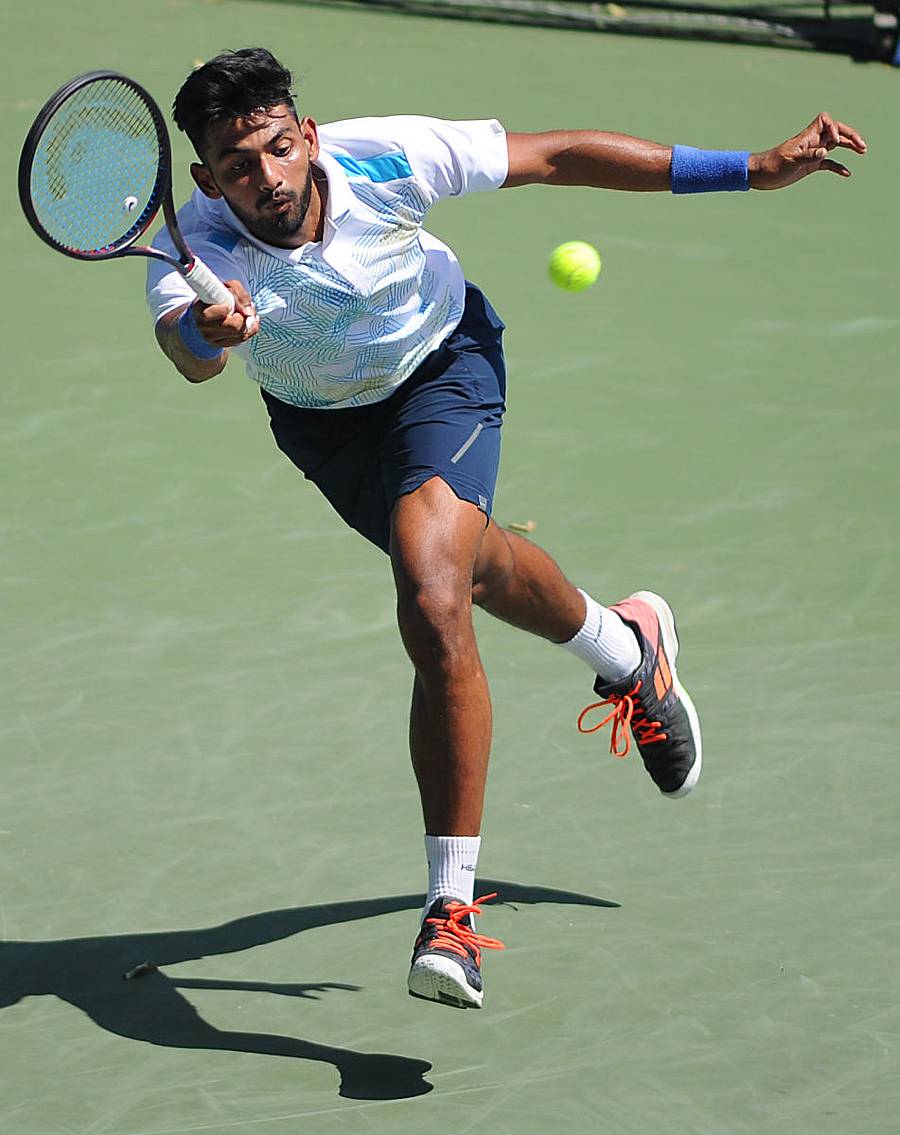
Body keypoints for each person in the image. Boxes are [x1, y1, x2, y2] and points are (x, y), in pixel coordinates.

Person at [147, 47, 866, 1010]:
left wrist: (751, 167)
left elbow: (559, 155)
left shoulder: (388, 159)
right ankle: (628, 645)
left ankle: (450, 913)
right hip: (325, 427)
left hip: (445, 367)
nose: (267, 177)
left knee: (432, 590)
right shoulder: (193, 248)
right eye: (239, 166)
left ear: (306, 135)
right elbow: (182, 353)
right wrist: (208, 333)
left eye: (279, 148)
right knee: (468, 570)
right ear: (208, 178)